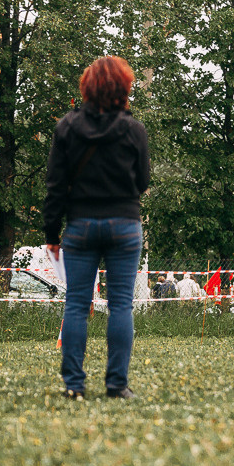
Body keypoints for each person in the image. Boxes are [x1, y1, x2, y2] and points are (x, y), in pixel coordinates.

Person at [44, 55, 150, 401]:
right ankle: (117, 385)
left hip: (80, 225)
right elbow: (143, 181)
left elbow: (55, 187)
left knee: (76, 304)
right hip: (124, 223)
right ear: (124, 87)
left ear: (86, 87)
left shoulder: (67, 127)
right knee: (121, 306)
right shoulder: (134, 130)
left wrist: (51, 234)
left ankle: (74, 385)